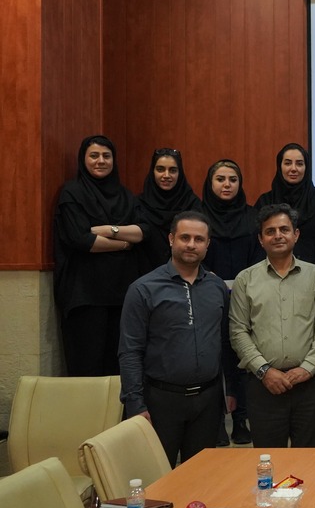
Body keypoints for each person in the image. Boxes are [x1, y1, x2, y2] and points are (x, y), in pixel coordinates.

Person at [118, 211, 230, 467]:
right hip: (160, 401)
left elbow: (224, 343)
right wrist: (135, 404)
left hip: (207, 401)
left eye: (199, 239)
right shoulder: (143, 289)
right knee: (156, 478)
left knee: (201, 476)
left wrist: (229, 392)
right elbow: (130, 351)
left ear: (208, 244)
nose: (191, 244)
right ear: (171, 239)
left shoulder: (217, 288)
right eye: (185, 237)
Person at [229, 203, 315, 448]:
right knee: (269, 460)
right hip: (263, 385)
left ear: (296, 235)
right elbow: (238, 331)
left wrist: (307, 368)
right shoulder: (245, 280)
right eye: (270, 231)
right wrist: (264, 371)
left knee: (309, 461)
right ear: (260, 239)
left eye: (284, 229)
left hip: (309, 385)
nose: (278, 235)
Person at [54, 135, 145, 376]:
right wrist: (124, 243)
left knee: (118, 368)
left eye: (106, 156)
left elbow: (142, 232)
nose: (101, 161)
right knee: (87, 367)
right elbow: (82, 240)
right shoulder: (72, 193)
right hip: (85, 296)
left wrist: (106, 230)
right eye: (94, 156)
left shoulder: (126, 196)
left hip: (122, 295)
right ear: (83, 159)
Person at [200, 159, 264, 446]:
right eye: (220, 179)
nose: (227, 185)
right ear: (210, 183)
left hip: (245, 296)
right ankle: (215, 422)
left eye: (233, 180)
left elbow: (259, 257)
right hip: (206, 296)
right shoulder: (198, 216)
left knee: (241, 358)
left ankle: (241, 420)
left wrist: (243, 284)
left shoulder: (253, 217)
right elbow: (193, 254)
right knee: (212, 357)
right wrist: (211, 280)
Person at [255, 143, 315, 266]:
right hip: (273, 271)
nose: (293, 169)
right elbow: (259, 244)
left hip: (310, 270)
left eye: (299, 164)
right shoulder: (266, 201)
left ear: (306, 167)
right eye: (287, 163)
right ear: (279, 166)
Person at [136, 148, 200, 272]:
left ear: (180, 173)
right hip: (146, 274)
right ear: (152, 172)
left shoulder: (192, 204)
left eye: (173, 170)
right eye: (160, 169)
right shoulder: (140, 203)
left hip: (185, 273)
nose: (166, 175)